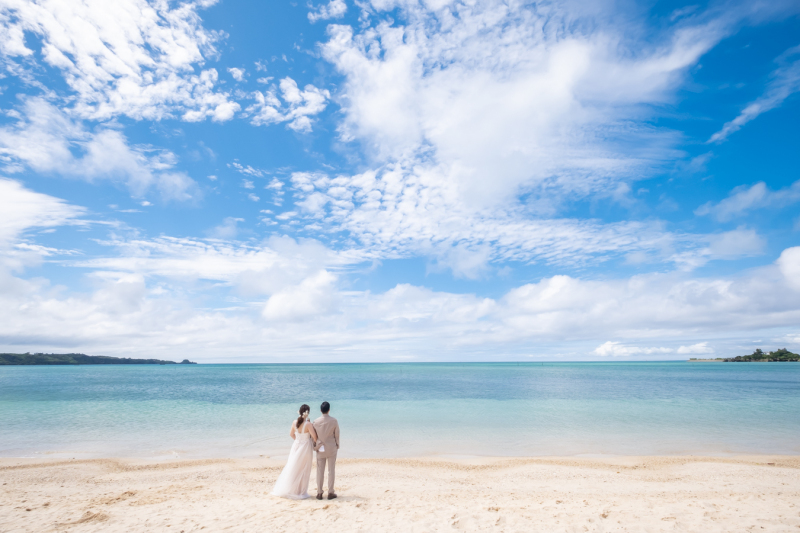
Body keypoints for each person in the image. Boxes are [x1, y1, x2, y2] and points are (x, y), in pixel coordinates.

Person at [271, 404, 318, 499]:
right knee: (304, 469)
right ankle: (301, 491)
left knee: (293, 467)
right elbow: (315, 437)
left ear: (300, 412)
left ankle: (292, 489)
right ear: (308, 413)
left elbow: (291, 434)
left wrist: (298, 440)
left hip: (296, 446)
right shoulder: (308, 424)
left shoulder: (294, 422)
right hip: (305, 447)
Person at [312, 401, 340, 500]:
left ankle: (319, 492)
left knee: (320, 471)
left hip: (320, 448)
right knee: (331, 470)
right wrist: (337, 445)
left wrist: (314, 446)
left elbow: (314, 436)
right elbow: (336, 435)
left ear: (320, 410)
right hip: (331, 447)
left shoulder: (315, 421)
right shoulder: (334, 421)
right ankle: (330, 492)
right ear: (329, 410)